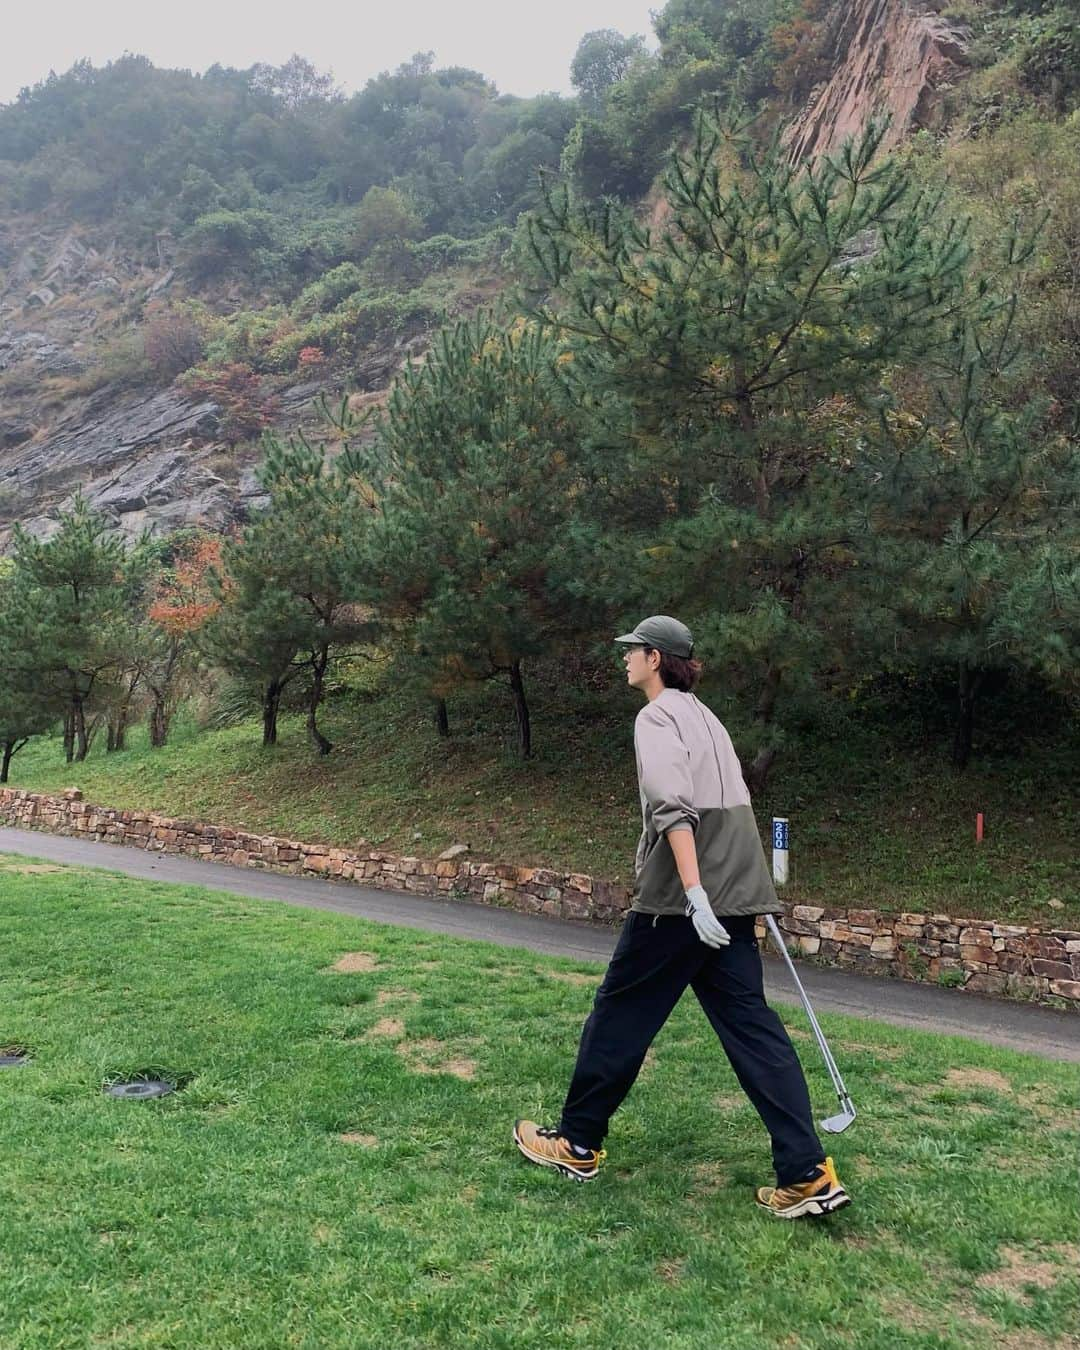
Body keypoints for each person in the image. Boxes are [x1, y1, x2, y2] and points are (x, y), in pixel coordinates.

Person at [513, 615, 850, 1219]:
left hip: (679, 906)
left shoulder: (657, 715)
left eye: (632, 651)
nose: (625, 660)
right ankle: (806, 1173)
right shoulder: (707, 716)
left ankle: (577, 1143)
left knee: (618, 1015)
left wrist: (693, 894)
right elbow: (738, 804)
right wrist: (741, 895)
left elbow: (674, 809)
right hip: (734, 898)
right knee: (753, 1028)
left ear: (655, 658)